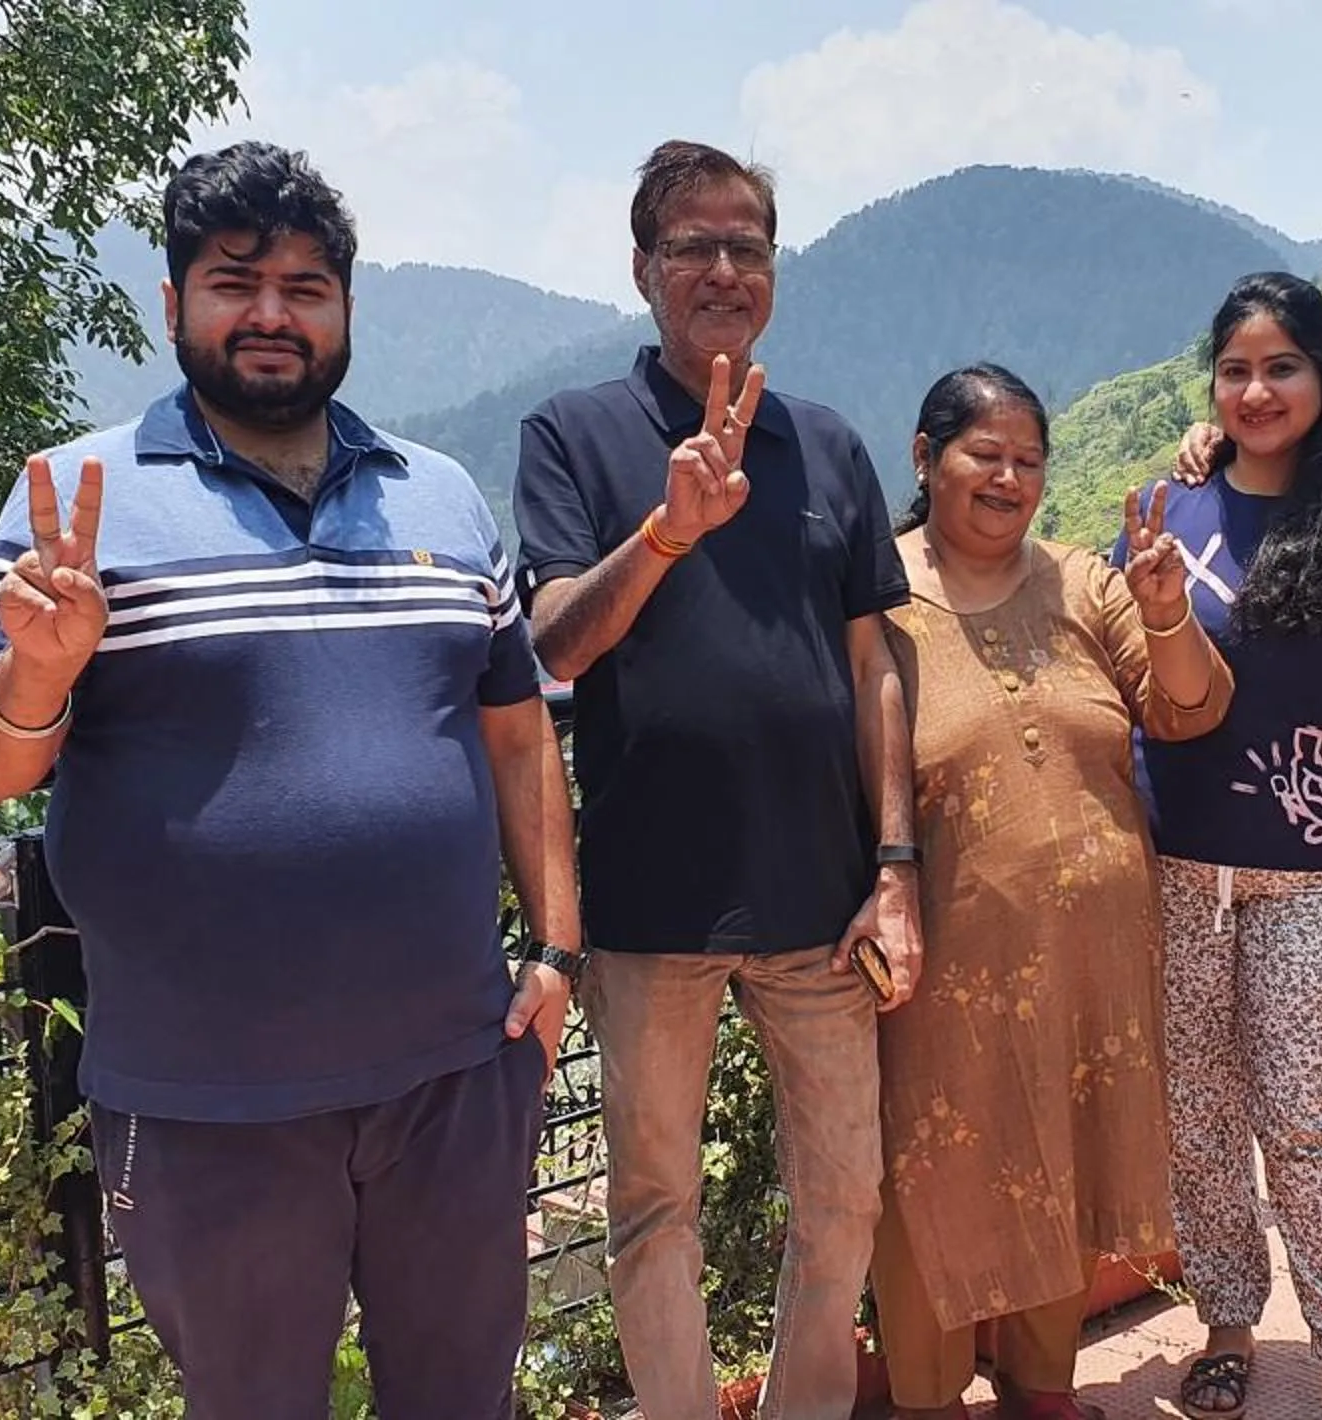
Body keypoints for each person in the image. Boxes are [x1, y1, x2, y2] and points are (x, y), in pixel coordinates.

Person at [0, 142, 574, 1420]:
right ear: (173, 305)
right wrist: (36, 677)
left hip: (452, 1078)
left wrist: (557, 950)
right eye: (235, 282)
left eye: (307, 287)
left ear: (345, 310)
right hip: (205, 1102)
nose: (273, 313)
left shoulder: (437, 495)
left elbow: (517, 734)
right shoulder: (76, 501)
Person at [509, 140, 912, 1420]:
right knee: (651, 1213)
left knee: (844, 1198)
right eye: (695, 245)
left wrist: (896, 867)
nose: (725, 269)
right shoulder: (573, 434)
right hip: (648, 903)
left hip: (824, 896)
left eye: (749, 245)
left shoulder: (830, 448)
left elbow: (876, 668)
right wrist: (668, 531)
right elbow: (555, 643)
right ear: (644, 268)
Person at [870, 365, 1233, 1420]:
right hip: (942, 961)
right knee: (932, 1171)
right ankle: (929, 1397)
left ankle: (1043, 1387)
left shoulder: (1085, 580)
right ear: (925, 456)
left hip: (1095, 952)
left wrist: (1166, 612)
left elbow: (1191, 709)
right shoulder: (875, 602)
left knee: (1061, 1158)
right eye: (986, 452)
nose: (1009, 476)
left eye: (1030, 459)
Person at [1129, 272, 1322, 1420]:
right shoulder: (1180, 500)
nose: (1258, 389)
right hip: (1183, 852)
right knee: (1198, 1109)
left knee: (1309, 1113)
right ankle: (1224, 1319)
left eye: (1282, 366)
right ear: (1212, 383)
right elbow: (1157, 677)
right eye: (1236, 369)